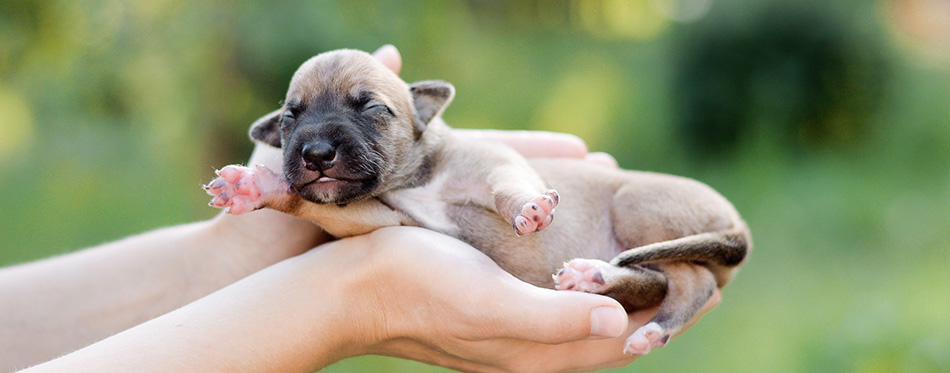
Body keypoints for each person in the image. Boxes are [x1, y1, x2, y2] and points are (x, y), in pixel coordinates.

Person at [1, 46, 720, 372]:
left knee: (652, 230)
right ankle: (632, 282)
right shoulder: (360, 204)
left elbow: (496, 169)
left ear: (421, 116)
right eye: (294, 123)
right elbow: (359, 231)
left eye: (365, 111)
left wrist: (521, 195)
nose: (314, 144)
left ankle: (651, 284)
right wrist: (334, 279)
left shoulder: (449, 150)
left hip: (609, 224)